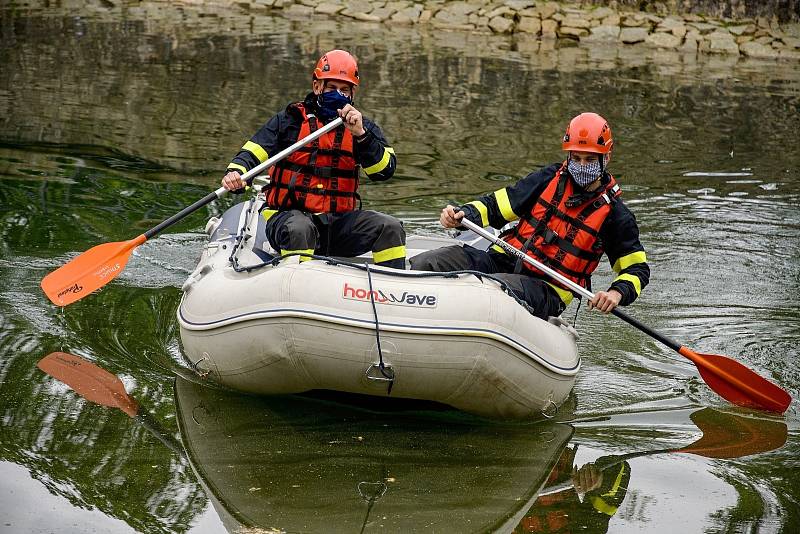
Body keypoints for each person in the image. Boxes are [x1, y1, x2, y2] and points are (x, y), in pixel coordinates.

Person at [410, 112, 649, 319]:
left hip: (548, 288)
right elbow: (495, 206)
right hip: (505, 259)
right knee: (429, 262)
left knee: (493, 292)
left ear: (605, 158)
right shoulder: (547, 179)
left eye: (589, 159)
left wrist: (616, 293)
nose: (581, 165)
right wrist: (464, 215)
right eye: (576, 158)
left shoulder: (616, 215)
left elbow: (637, 269)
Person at [221, 49, 405, 269]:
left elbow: (385, 171)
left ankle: (391, 288)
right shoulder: (289, 120)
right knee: (300, 228)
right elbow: (253, 152)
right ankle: (293, 285)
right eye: (331, 88)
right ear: (317, 86)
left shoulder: (361, 127)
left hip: (337, 225)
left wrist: (361, 136)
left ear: (352, 94)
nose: (338, 94)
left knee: (390, 226)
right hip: (288, 219)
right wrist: (237, 174)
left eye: (344, 90)